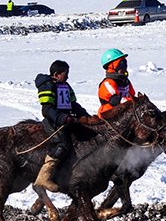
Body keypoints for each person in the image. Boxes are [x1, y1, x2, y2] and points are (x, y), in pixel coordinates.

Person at [34, 60, 91, 192]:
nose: (68, 76)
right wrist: (62, 117)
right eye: (66, 73)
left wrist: (86, 117)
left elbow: (73, 105)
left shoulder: (66, 86)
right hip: (53, 122)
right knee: (62, 145)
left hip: (67, 121)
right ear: (56, 74)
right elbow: (47, 109)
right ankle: (44, 177)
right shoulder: (48, 86)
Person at [97, 48, 136, 116]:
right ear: (111, 66)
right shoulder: (107, 83)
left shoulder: (126, 81)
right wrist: (132, 101)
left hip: (124, 115)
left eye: (125, 62)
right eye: (120, 63)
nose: (124, 67)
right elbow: (115, 101)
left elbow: (132, 95)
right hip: (108, 117)